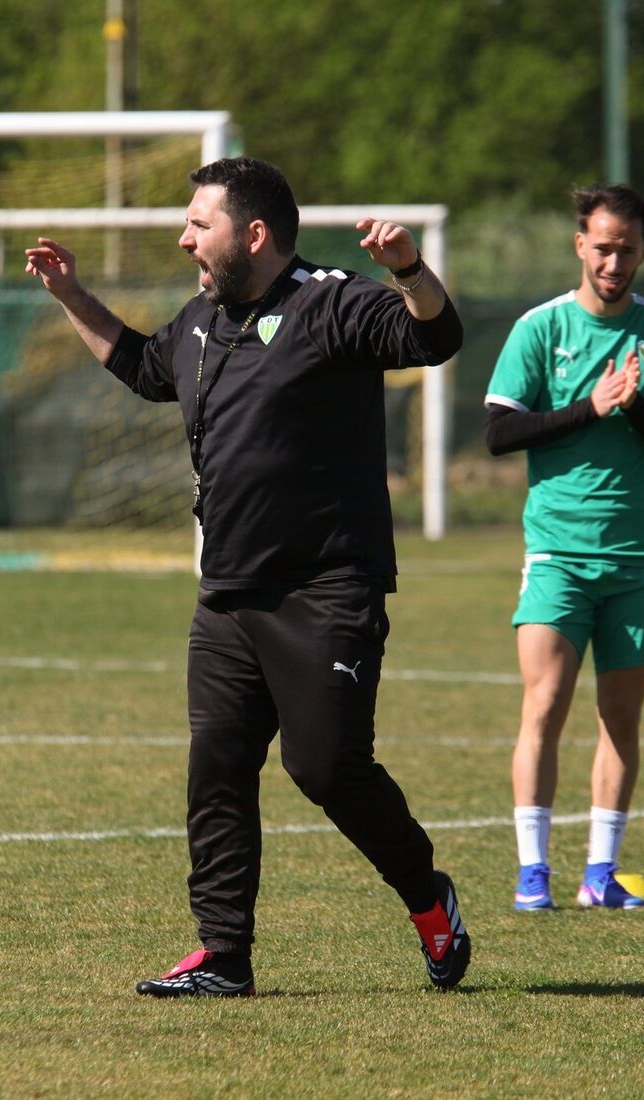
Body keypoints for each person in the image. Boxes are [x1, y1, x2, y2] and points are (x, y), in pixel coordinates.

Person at [25, 157, 470, 995]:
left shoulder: (330, 302)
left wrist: (409, 271)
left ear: (254, 234)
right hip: (228, 595)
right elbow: (145, 370)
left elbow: (435, 339)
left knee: (327, 769)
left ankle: (427, 894)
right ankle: (223, 955)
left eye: (200, 224)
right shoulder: (203, 319)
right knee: (218, 769)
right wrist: (71, 295)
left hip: (325, 591)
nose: (183, 237)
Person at [483, 183, 644, 911]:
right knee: (544, 705)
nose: (613, 262)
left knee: (621, 717)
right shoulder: (540, 328)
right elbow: (500, 433)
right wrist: (591, 406)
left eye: (627, 250)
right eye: (603, 247)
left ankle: (599, 874)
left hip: (637, 559)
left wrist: (633, 404)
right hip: (557, 554)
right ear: (581, 244)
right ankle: (533, 872)